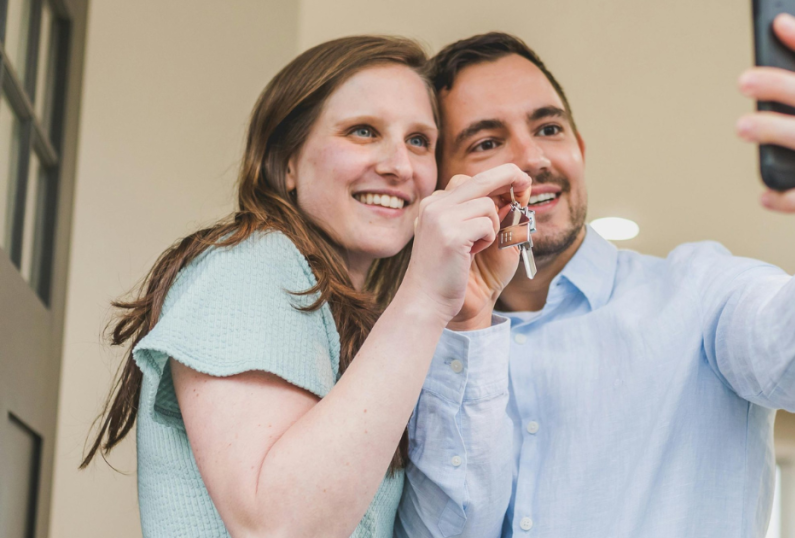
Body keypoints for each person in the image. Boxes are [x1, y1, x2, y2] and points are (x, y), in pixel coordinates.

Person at [396, 8, 795, 537]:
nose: (532, 158)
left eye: (549, 129)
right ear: (444, 183)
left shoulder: (701, 292)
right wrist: (464, 329)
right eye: (488, 142)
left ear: (580, 149)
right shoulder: (411, 348)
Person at [80, 36, 530, 537]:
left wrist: (468, 315)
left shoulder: (369, 326)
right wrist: (424, 298)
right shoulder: (251, 263)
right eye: (363, 131)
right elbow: (280, 528)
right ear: (287, 161)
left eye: (419, 141)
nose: (400, 166)